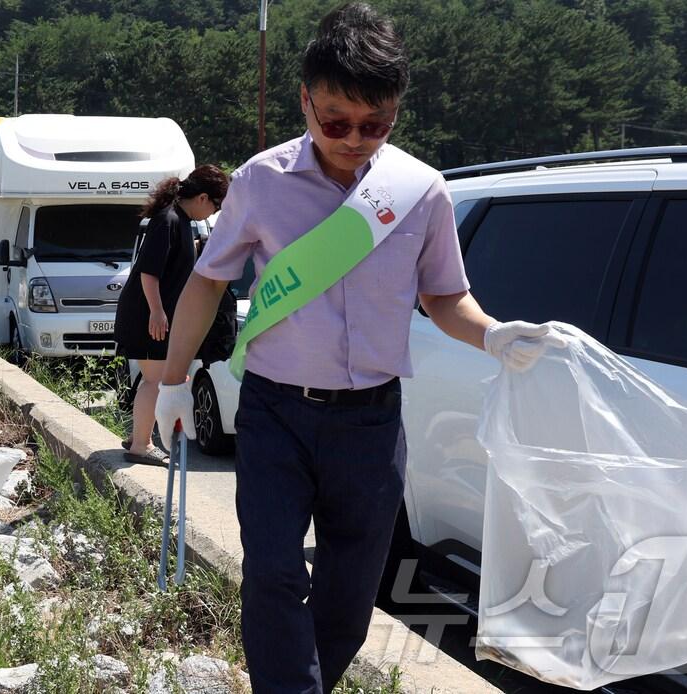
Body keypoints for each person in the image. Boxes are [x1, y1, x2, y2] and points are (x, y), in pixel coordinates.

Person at [152, 5, 564, 692]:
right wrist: (173, 380)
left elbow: (443, 299)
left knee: (350, 595)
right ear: (305, 100)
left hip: (371, 421)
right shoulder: (261, 180)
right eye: (336, 121)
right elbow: (206, 283)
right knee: (275, 572)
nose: (354, 140)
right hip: (276, 412)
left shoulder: (419, 191)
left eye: (376, 124)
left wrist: (492, 334)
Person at [113, 165, 228, 465]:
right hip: (148, 314)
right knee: (158, 381)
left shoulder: (179, 220)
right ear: (203, 198)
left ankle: (139, 435)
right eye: (216, 205)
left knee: (153, 378)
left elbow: (174, 258)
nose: (213, 213)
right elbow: (149, 273)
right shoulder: (169, 219)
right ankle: (140, 445)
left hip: (153, 313)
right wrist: (158, 312)